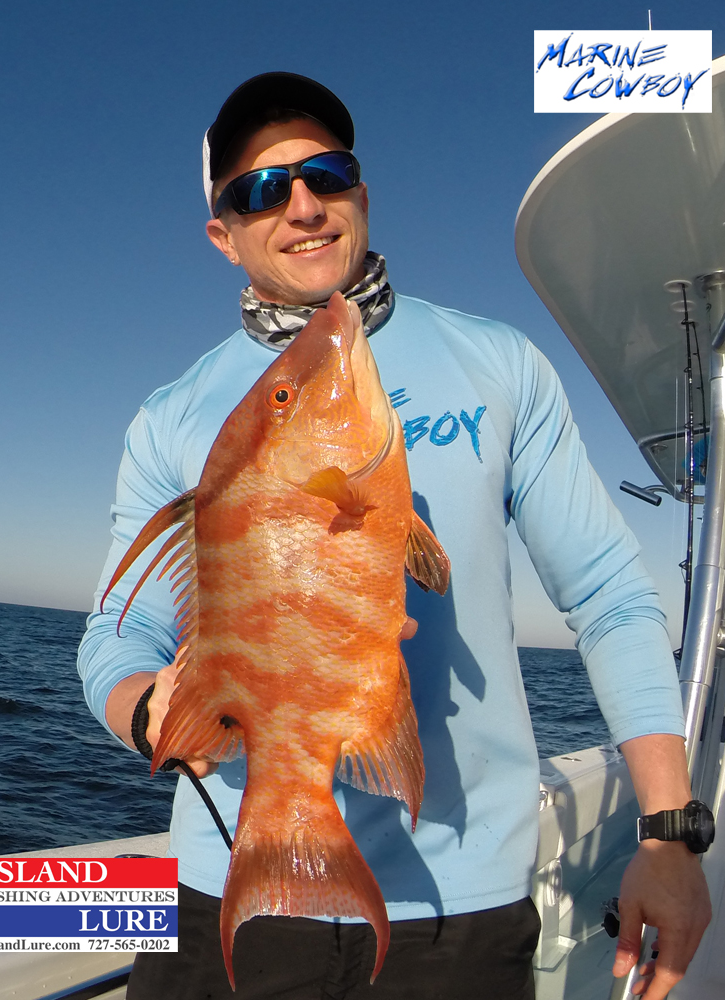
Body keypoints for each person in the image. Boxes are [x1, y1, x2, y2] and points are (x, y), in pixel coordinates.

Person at [78, 72, 710, 1000]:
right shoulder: (171, 416)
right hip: (235, 879)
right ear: (224, 234)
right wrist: (149, 708)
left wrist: (667, 832)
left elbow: (608, 591)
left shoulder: (498, 364)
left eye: (327, 174)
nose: (302, 205)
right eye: (261, 189)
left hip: (461, 907)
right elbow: (117, 632)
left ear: (361, 193)